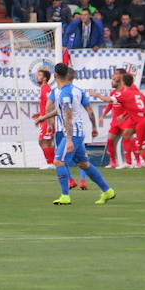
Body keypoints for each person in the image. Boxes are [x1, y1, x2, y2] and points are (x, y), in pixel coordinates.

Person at [35, 63, 115, 206]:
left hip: (71, 133)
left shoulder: (64, 93)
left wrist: (70, 139)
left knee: (58, 161)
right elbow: (89, 111)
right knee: (83, 164)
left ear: (55, 76)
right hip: (78, 131)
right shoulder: (77, 91)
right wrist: (94, 126)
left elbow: (67, 115)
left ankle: (65, 196)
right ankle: (107, 190)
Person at [91, 73, 145, 179]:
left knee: (140, 149)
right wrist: (133, 115)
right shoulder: (137, 93)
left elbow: (108, 100)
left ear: (123, 82)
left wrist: (97, 95)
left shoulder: (124, 94)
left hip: (140, 123)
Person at [30, 68, 56, 170]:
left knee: (44, 141)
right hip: (45, 118)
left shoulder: (46, 89)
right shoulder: (43, 88)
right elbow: (46, 105)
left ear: (45, 78)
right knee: (43, 141)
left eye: (40, 75)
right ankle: (52, 162)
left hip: (47, 119)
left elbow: (51, 105)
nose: (37, 76)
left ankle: (51, 163)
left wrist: (50, 121)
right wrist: (39, 113)